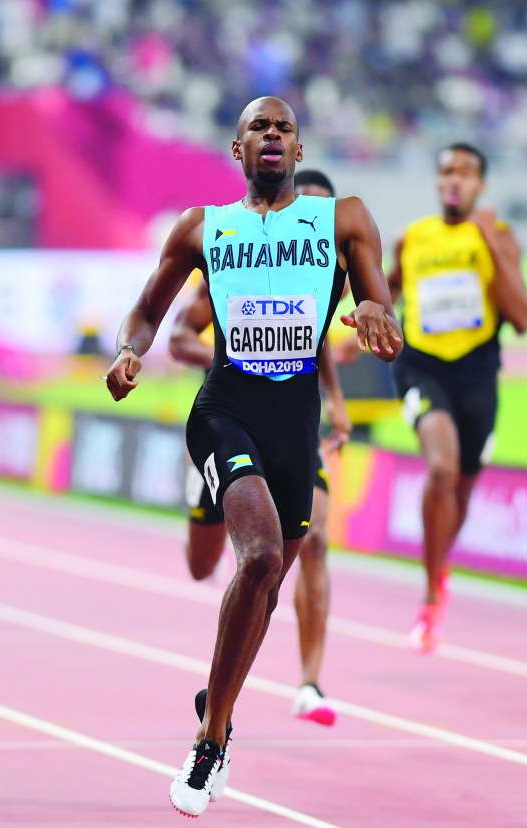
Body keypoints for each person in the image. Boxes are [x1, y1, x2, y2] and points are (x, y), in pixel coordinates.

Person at [104, 97, 401, 818]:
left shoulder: (343, 220)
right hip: (225, 411)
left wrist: (375, 313)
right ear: (237, 150)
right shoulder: (202, 228)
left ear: (298, 149)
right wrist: (129, 350)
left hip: (294, 425)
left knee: (264, 590)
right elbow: (147, 311)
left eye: (284, 127)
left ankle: (218, 702)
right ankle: (211, 740)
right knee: (261, 555)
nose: (272, 134)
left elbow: (381, 311)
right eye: (257, 128)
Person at [168, 169, 353, 730]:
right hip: (232, 419)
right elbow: (178, 335)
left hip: (295, 427)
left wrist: (336, 402)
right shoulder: (235, 256)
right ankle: (212, 492)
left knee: (305, 544)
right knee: (202, 565)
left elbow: (317, 344)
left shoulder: (329, 263)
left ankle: (308, 683)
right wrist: (232, 358)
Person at [386, 142, 527, 655]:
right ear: (437, 180)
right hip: (422, 367)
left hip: (477, 373)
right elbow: (387, 291)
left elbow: (522, 318)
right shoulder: (412, 238)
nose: (455, 180)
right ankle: (430, 595)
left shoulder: (499, 235)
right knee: (442, 468)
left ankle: (439, 569)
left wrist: (489, 241)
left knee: (463, 487)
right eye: (447, 171)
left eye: (466, 173)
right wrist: (367, 317)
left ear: (481, 185)